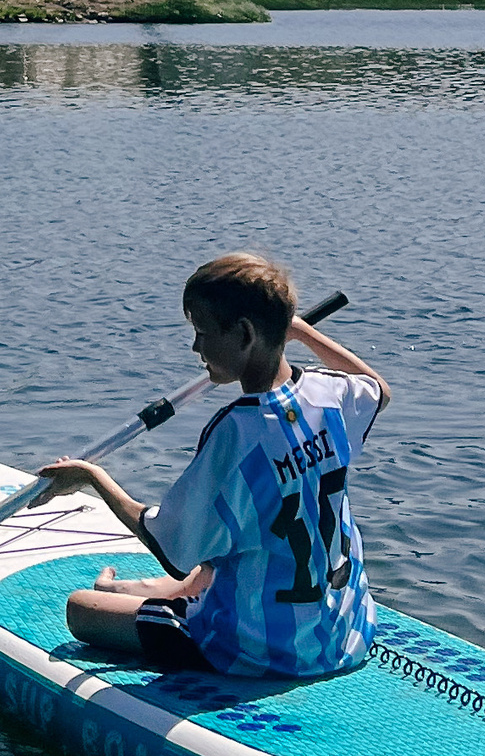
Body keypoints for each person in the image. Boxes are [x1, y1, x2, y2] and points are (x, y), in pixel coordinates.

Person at [36, 252, 390, 680]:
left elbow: (173, 549)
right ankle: (136, 591)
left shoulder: (237, 433)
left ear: (244, 334)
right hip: (348, 632)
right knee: (226, 550)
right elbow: (378, 389)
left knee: (83, 610)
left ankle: (138, 599)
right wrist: (299, 332)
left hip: (262, 649)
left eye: (203, 333)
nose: (196, 348)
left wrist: (92, 477)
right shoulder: (327, 394)